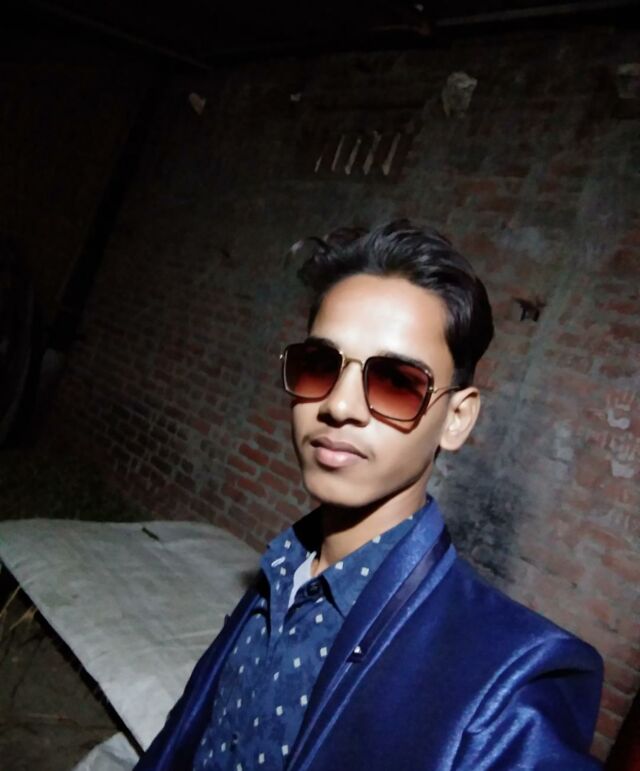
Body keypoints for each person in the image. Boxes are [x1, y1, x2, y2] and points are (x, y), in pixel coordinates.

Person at [135, 221, 603, 770]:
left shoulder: (509, 683)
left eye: (397, 382)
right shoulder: (284, 571)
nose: (339, 406)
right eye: (320, 366)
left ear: (456, 418)